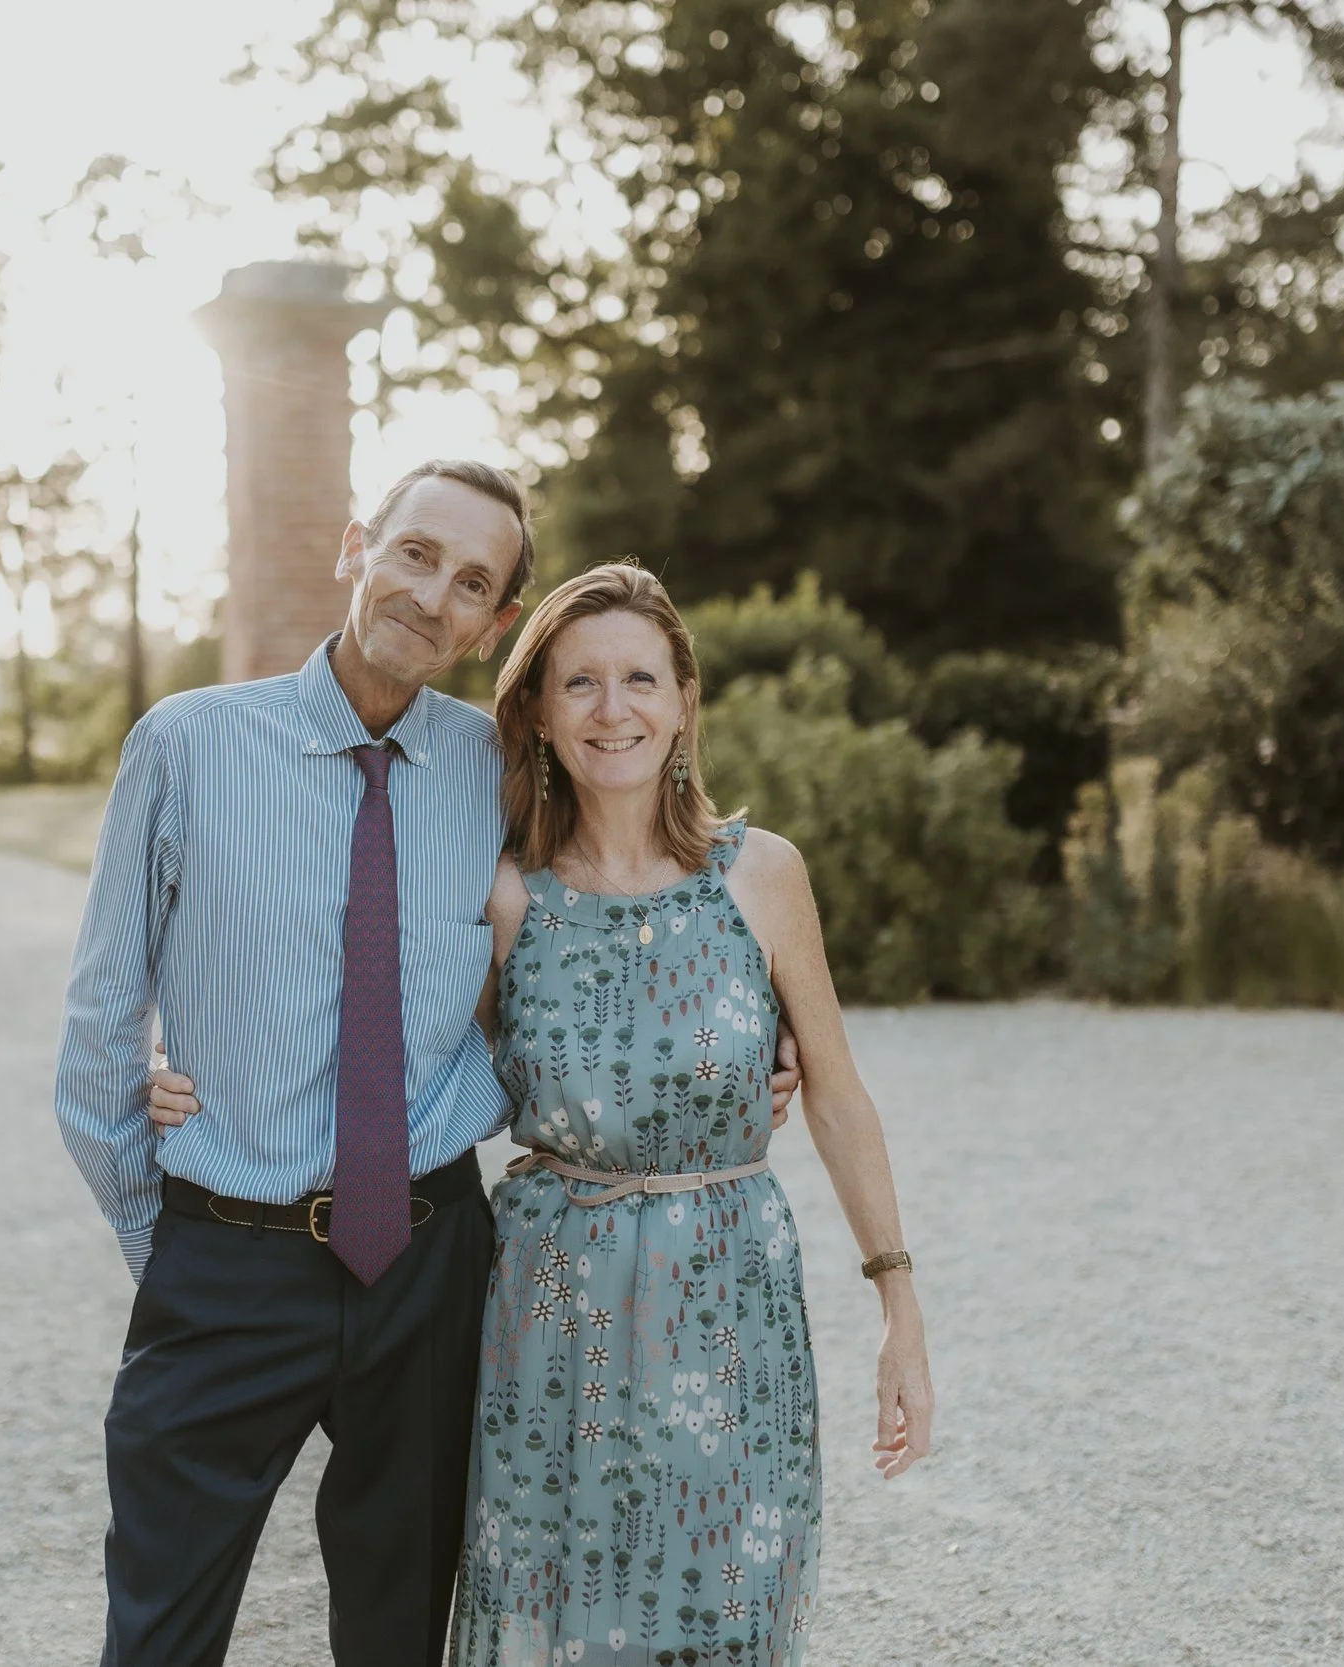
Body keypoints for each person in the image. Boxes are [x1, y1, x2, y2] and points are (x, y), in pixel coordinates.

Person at [57, 462, 798, 1667]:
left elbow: (600, 921)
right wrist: (174, 1247)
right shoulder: (187, 745)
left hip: (430, 1267)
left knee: (401, 1632)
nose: (430, 593)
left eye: (470, 582)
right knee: (158, 1630)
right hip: (225, 1259)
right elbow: (98, 1026)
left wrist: (729, 1050)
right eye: (414, 553)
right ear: (357, 546)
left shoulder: (497, 769)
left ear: (493, 623)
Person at [154, 562, 935, 1665]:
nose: (613, 710)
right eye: (579, 682)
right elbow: (379, 1044)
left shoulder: (761, 875)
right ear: (536, 713)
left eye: (639, 679)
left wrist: (898, 1304)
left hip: (729, 1292)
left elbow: (840, 1097)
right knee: (556, 1606)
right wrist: (187, 1069)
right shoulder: (506, 891)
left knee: (721, 1602)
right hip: (552, 1307)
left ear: (683, 700)